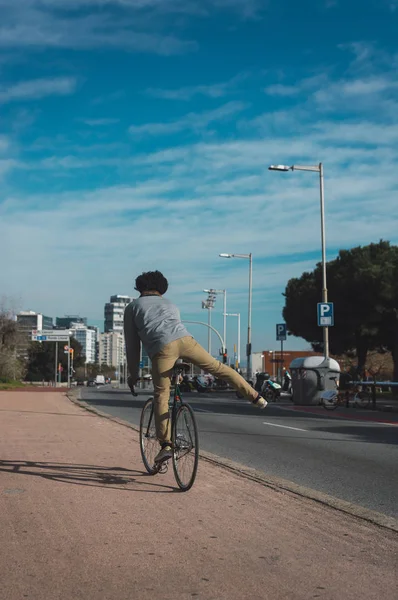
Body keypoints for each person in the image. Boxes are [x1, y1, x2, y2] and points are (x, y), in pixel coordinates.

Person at [124, 270, 267, 464]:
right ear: (161, 288)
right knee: (218, 368)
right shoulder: (170, 304)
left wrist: (133, 374)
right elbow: (171, 330)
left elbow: (133, 345)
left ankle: (166, 445)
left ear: (140, 287)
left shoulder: (133, 307)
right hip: (187, 340)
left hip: (162, 349)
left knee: (162, 395)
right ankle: (256, 397)